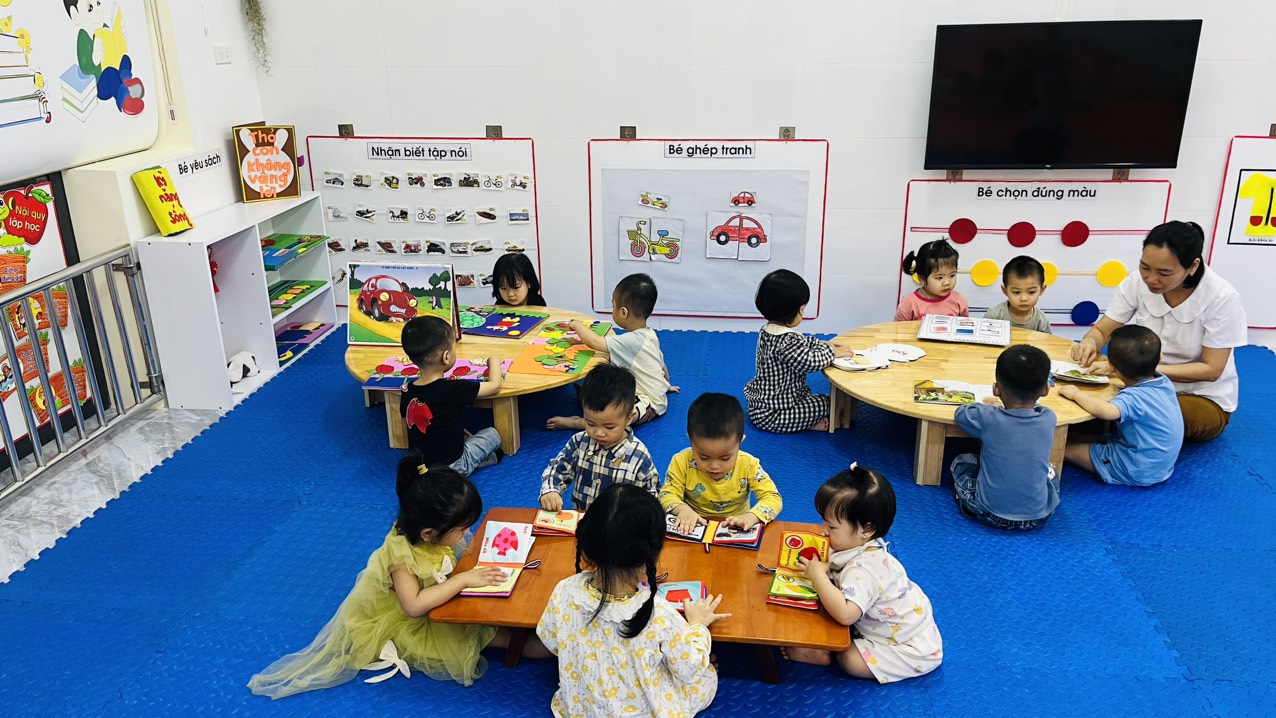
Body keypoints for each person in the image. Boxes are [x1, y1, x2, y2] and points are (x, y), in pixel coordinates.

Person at [249, 454, 545, 699]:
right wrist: (462, 580)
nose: (467, 533)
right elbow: (414, 606)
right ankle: (558, 647)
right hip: (411, 622)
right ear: (429, 534)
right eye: (462, 529)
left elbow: (451, 555)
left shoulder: (427, 532)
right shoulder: (400, 557)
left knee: (505, 610)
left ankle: (549, 638)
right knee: (499, 635)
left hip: (438, 597)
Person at [537, 484, 728, 717]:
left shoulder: (564, 590)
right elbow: (689, 670)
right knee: (705, 676)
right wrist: (697, 625)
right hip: (645, 710)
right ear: (649, 556)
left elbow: (551, 641)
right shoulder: (659, 613)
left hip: (580, 710)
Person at [1071, 221, 1247, 442]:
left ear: (1193, 266)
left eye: (1164, 273)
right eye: (1145, 267)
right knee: (1076, 397)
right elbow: (1104, 330)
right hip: (1138, 384)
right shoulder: (1136, 282)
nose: (1150, 279)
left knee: (1145, 416)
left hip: (1199, 396)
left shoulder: (1222, 297)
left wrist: (1138, 369)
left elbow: (1212, 369)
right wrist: (1090, 341)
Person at [783, 465, 943, 683]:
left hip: (908, 648)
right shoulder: (855, 544)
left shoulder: (864, 570)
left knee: (849, 659)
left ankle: (822, 653)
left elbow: (846, 615)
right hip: (897, 622)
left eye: (832, 527)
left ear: (866, 530)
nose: (823, 530)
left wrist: (819, 577)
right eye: (824, 522)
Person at [950, 345, 1059, 530]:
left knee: (962, 461)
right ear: (1045, 390)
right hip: (1039, 516)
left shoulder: (988, 417)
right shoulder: (1049, 418)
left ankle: (968, 504)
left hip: (990, 514)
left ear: (996, 389)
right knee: (1051, 470)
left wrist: (990, 405)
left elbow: (961, 413)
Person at [548, 273, 675, 430]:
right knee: (608, 381)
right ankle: (590, 401)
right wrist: (666, 384)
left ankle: (577, 422)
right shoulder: (650, 335)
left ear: (623, 313)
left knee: (619, 418)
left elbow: (595, 342)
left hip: (648, 403)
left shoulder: (630, 341)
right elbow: (661, 364)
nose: (612, 310)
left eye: (613, 306)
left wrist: (577, 325)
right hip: (646, 392)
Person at [1060, 325, 1183, 486]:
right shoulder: (1163, 381)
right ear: (1160, 357)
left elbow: (1107, 411)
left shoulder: (1133, 398)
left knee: (1062, 448)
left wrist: (1075, 394)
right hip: (1158, 463)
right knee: (1075, 436)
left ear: (1111, 367)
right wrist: (1111, 367)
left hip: (1137, 467)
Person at [540, 364, 661, 511]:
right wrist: (551, 490)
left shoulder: (639, 456)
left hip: (618, 522)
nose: (599, 433)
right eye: (590, 423)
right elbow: (557, 469)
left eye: (609, 427)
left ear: (629, 418)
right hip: (583, 518)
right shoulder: (579, 442)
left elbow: (651, 497)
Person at [744, 269, 852, 433]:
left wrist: (819, 343)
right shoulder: (788, 341)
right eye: (802, 309)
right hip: (773, 415)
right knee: (827, 403)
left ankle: (804, 423)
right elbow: (809, 362)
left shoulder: (767, 330)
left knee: (810, 397)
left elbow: (799, 346)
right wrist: (832, 353)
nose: (803, 313)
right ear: (788, 312)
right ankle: (803, 424)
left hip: (761, 406)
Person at [659, 392, 783, 534]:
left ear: (740, 442)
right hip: (693, 527)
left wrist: (751, 517)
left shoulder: (748, 464)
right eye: (704, 457)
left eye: (725, 458)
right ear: (691, 440)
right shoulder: (681, 462)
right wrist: (682, 510)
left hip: (735, 528)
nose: (714, 466)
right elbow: (666, 494)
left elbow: (772, 497)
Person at [399, 316, 503, 477]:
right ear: (446, 357)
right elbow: (494, 386)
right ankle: (473, 464)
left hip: (420, 467)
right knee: (492, 434)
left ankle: (479, 460)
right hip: (454, 466)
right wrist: (493, 360)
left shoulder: (407, 390)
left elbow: (423, 420)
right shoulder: (454, 388)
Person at [895, 238, 968, 321]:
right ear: (922, 279)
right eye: (939, 278)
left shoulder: (959, 300)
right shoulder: (909, 303)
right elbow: (898, 328)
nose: (947, 282)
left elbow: (965, 326)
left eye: (952, 275)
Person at [983, 255, 1052, 333]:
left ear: (1042, 290)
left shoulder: (1042, 320)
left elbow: (1048, 341)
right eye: (1016, 292)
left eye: (1031, 292)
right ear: (1005, 290)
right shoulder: (993, 316)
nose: (1023, 298)